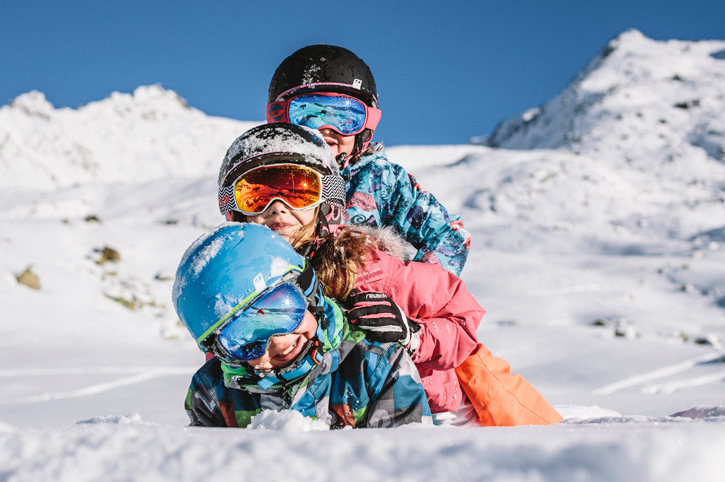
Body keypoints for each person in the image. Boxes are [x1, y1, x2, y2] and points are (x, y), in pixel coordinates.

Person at [217, 123, 562, 426]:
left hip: (425, 414)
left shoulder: (365, 268)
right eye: (256, 194)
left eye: (298, 191)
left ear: (327, 202)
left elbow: (463, 320)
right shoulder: (241, 282)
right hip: (316, 422)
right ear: (236, 210)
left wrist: (414, 335)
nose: (277, 206)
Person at [173, 222, 432, 428]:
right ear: (224, 354)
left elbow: (405, 459)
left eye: (280, 311)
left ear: (308, 292)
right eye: (245, 339)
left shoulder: (375, 366)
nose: (276, 341)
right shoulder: (213, 393)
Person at [264, 44, 470, 277]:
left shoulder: (379, 180)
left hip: (366, 300)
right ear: (281, 120)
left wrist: (405, 291)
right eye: (308, 115)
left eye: (345, 117)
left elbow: (449, 236)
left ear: (365, 128)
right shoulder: (268, 177)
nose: (326, 129)